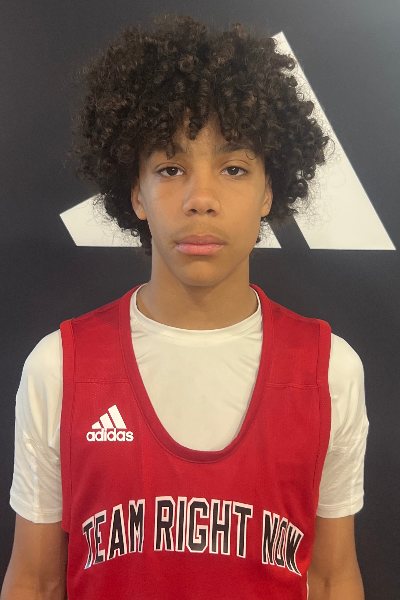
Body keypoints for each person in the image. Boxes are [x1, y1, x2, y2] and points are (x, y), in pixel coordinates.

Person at [1, 13, 368, 600]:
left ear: (269, 191)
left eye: (234, 168)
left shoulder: (330, 372)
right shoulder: (59, 368)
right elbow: (35, 580)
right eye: (170, 169)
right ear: (135, 193)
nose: (201, 198)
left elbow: (329, 578)